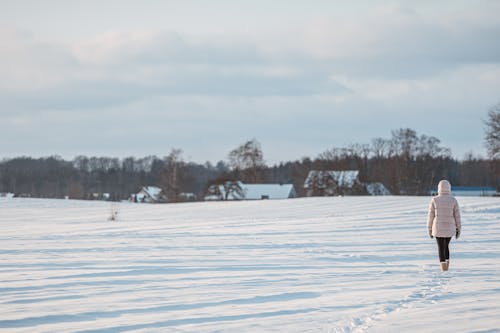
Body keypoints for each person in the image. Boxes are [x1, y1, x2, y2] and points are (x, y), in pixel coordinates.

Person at [427, 180, 461, 272]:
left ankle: (444, 269)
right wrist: (458, 229)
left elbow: (431, 216)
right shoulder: (453, 200)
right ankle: (447, 267)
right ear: (449, 188)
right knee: (446, 246)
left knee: (441, 246)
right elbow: (457, 216)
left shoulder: (434, 200)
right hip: (450, 228)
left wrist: (429, 229)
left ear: (439, 188)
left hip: (438, 228)